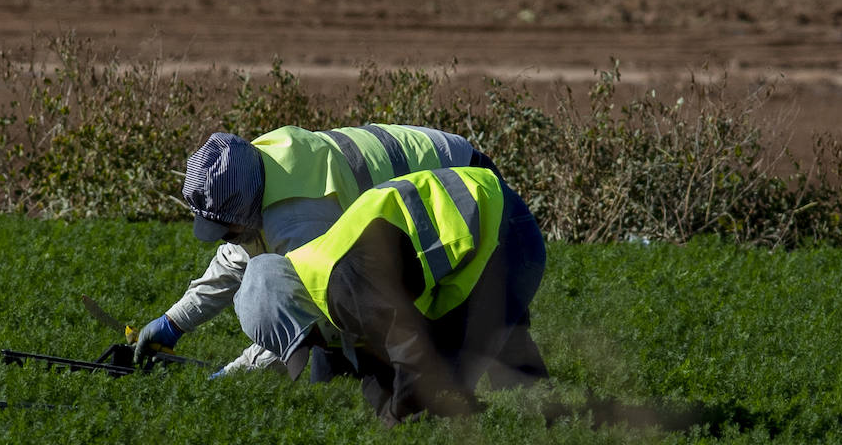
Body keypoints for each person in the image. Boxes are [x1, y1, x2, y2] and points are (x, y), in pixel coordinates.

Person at [131, 124, 500, 375]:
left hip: (464, 181)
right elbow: (236, 258)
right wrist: (173, 323)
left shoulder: (299, 220)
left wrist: (235, 373)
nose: (225, 237)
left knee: (428, 345)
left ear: (247, 209)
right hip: (435, 169)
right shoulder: (251, 170)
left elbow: (302, 317)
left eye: (227, 227)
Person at [232, 165, 548, 427]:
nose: (314, 345)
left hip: (505, 232)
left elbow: (413, 354)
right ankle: (551, 416)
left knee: (445, 394)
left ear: (298, 306)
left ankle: (556, 431)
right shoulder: (313, 278)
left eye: (306, 339)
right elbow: (373, 358)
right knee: (499, 382)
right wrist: (386, 409)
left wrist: (396, 418)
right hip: (488, 227)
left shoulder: (342, 281)